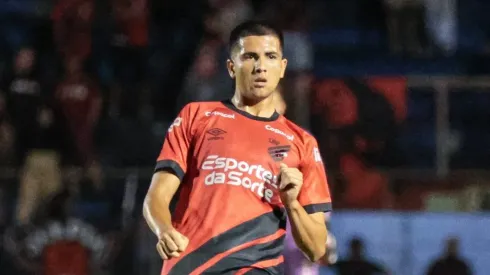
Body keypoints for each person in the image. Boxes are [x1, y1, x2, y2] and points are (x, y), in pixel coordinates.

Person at [143, 20, 332, 274]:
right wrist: (164, 230)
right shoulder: (196, 116)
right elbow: (155, 198)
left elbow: (317, 248)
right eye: (250, 57)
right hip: (190, 266)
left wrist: (292, 204)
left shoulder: (303, 143)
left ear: (283, 67)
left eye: (271, 57)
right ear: (231, 67)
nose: (260, 67)